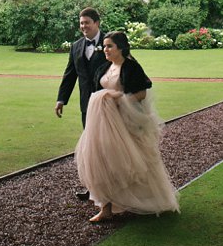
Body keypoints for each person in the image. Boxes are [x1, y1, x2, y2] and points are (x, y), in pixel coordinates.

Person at [74, 30, 180, 223]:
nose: (105, 49)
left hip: (126, 124)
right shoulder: (104, 67)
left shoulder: (131, 67)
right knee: (103, 162)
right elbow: (96, 90)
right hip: (103, 124)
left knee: (133, 163)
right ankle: (105, 207)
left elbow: (141, 94)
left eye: (109, 46)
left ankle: (149, 200)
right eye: (104, 46)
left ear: (120, 48)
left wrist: (118, 100)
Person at [55, 7, 110, 200]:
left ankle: (112, 187)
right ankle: (92, 187)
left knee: (108, 146)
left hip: (108, 104)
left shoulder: (109, 43)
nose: (83, 26)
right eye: (81, 23)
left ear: (97, 23)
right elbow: (70, 75)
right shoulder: (76, 46)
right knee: (91, 147)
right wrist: (61, 99)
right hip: (86, 105)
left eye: (87, 22)